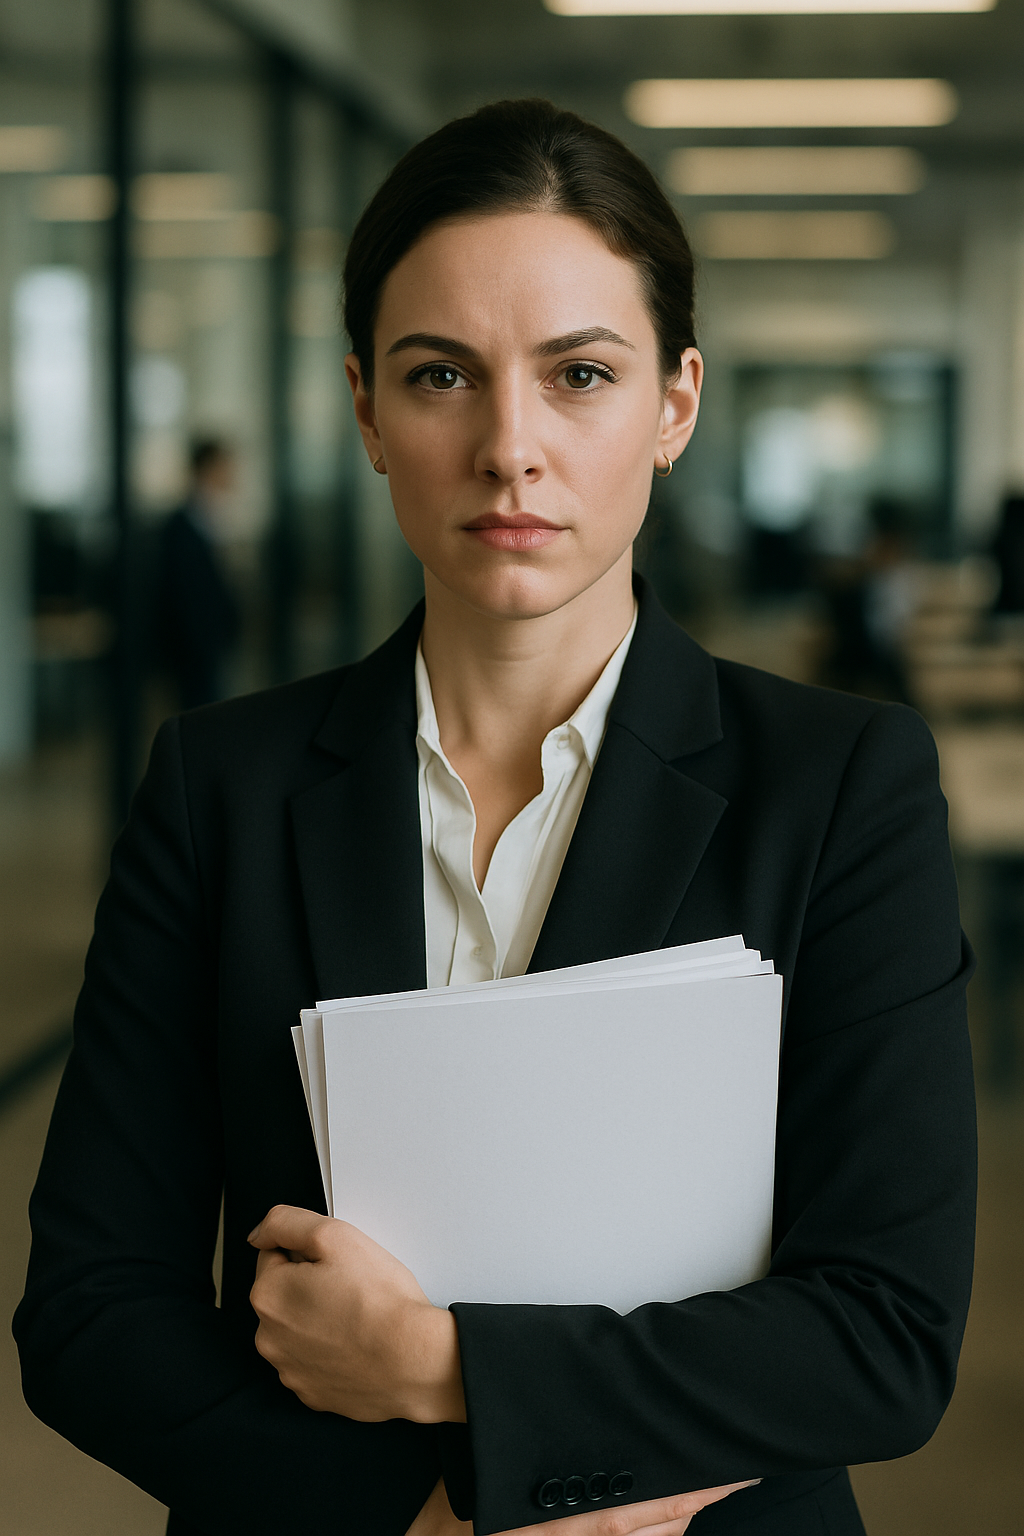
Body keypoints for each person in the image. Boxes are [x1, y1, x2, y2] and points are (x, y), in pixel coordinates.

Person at [15, 100, 975, 1536]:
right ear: (364, 410)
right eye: (441, 375)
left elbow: (880, 1336)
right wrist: (420, 1522)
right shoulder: (222, 784)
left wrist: (434, 1368)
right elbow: (91, 1313)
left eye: (580, 373)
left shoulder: (841, 784)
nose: (508, 446)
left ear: (675, 405)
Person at [155, 436, 241, 709]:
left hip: (211, 646)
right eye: (224, 465)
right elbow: (184, 592)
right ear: (208, 468)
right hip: (194, 650)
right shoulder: (183, 524)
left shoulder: (212, 518)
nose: (231, 473)